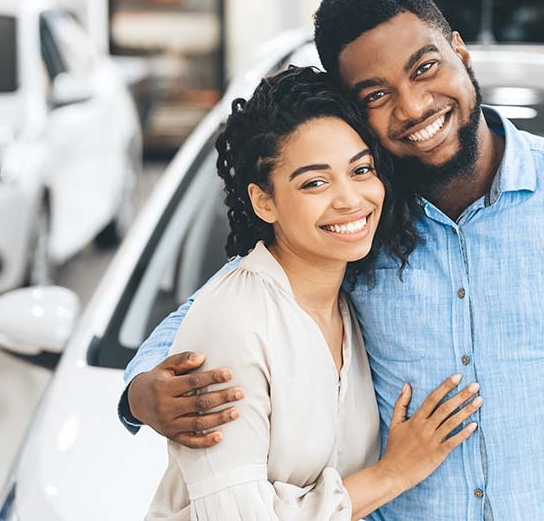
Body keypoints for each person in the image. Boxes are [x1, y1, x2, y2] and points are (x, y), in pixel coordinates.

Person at [121, 0, 544, 521]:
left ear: (460, 52)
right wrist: (143, 393)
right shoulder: (353, 221)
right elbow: (213, 315)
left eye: (424, 68)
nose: (414, 106)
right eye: (376, 95)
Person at [145, 66, 483, 520]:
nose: (350, 199)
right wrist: (394, 472)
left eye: (361, 169)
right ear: (265, 201)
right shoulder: (236, 320)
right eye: (315, 182)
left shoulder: (349, 304)